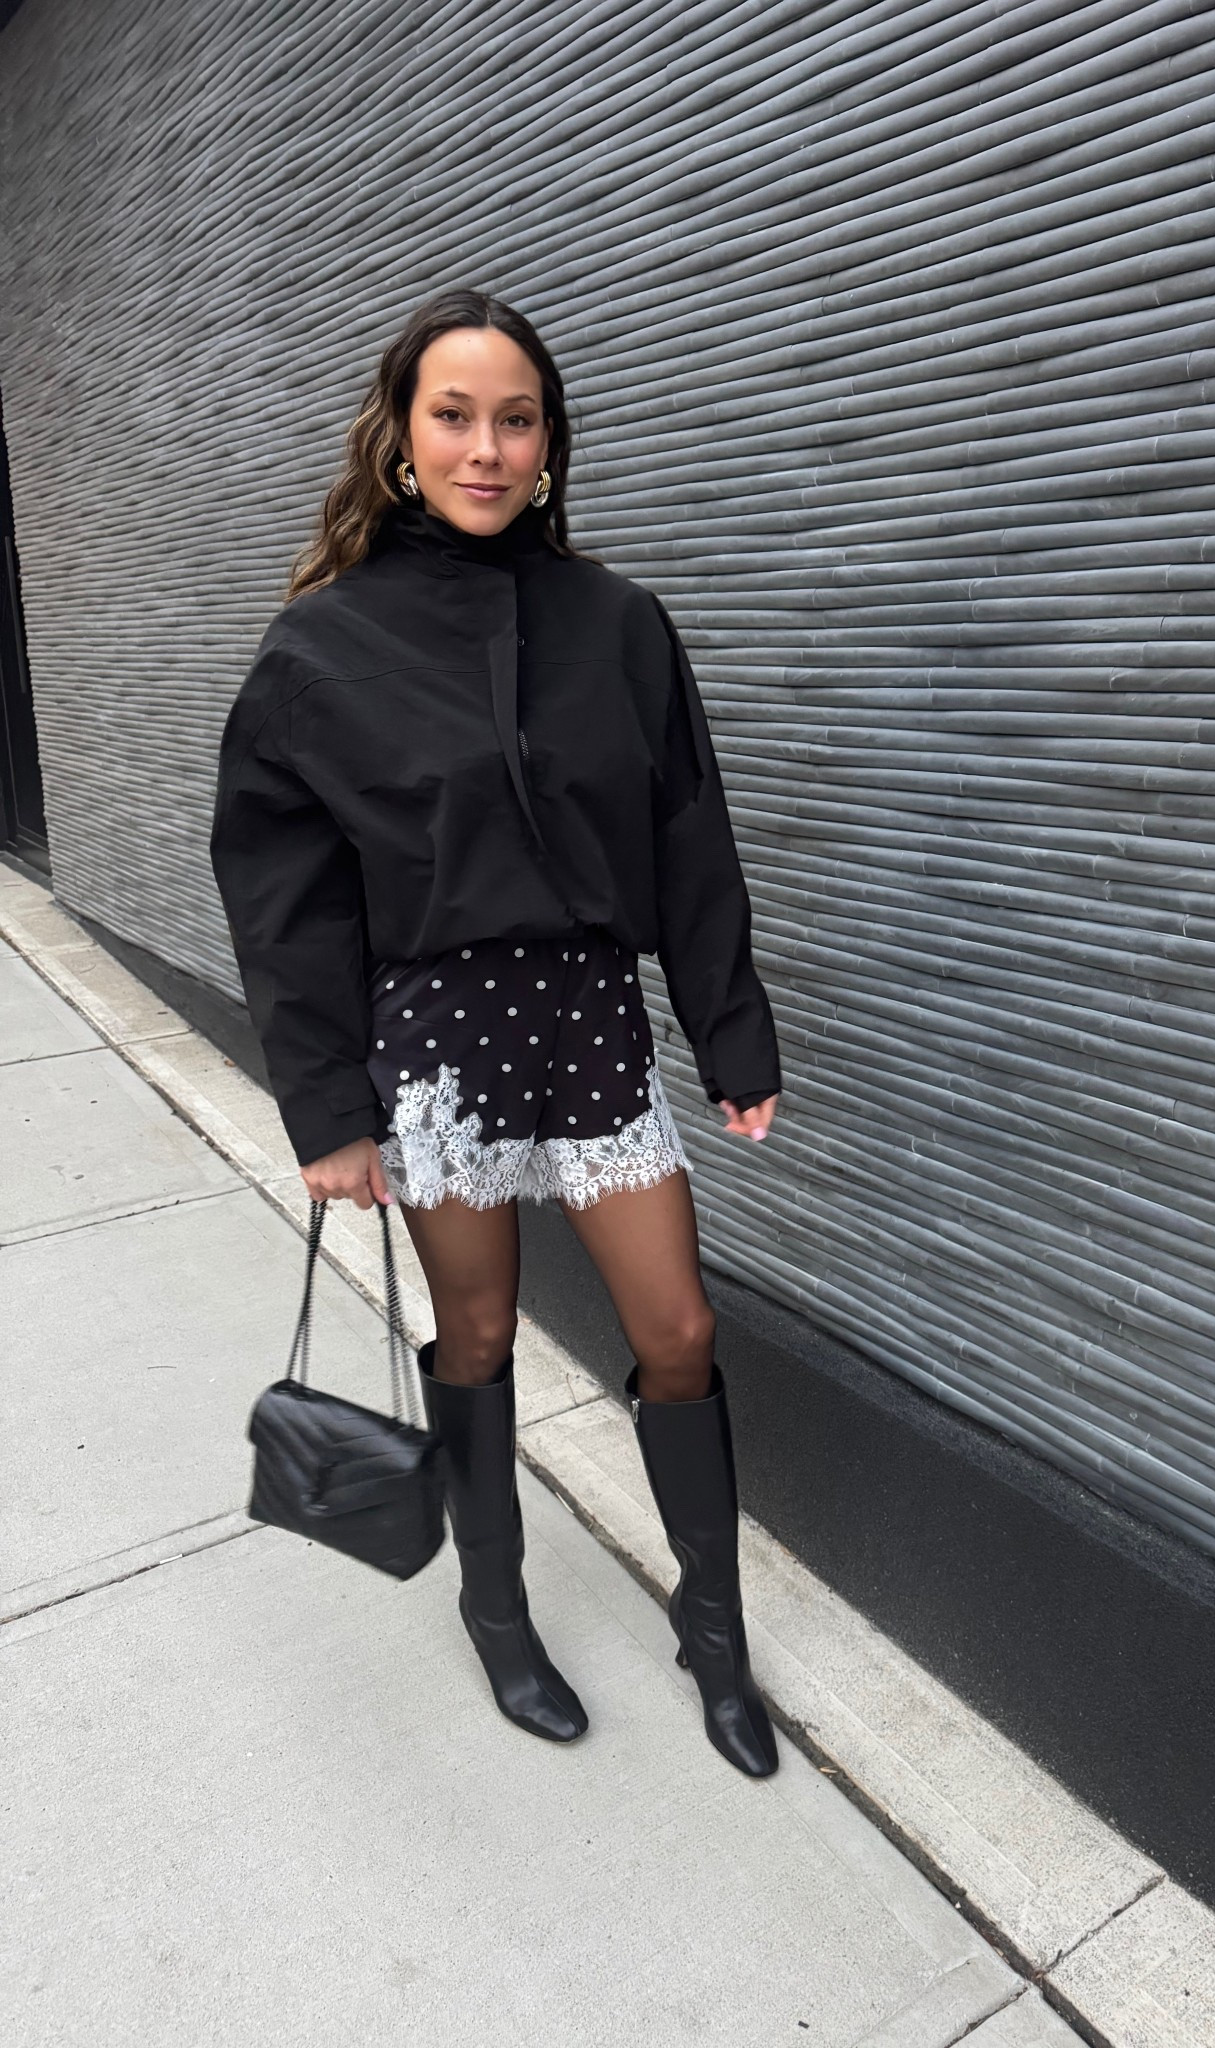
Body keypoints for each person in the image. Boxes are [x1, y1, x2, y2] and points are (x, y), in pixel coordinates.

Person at [209, 288, 781, 1778]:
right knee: (473, 1333)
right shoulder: (319, 652)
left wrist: (731, 1034)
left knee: (679, 1329)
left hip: (591, 1022)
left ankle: (711, 1631)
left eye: (514, 417)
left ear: (549, 442)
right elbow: (287, 896)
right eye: (453, 415)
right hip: (441, 1040)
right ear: (402, 437)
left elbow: (688, 832)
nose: (485, 445)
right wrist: (328, 1110)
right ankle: (498, 1609)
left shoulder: (620, 626)